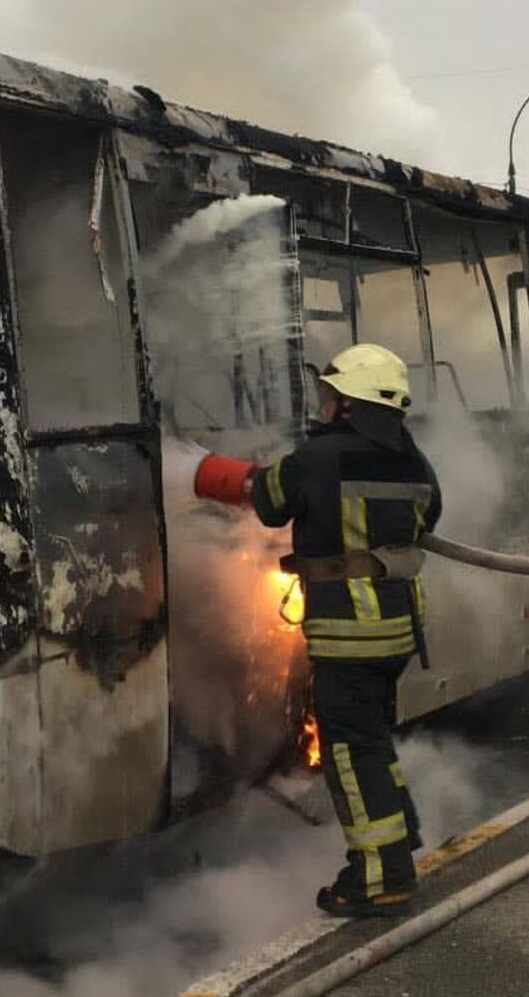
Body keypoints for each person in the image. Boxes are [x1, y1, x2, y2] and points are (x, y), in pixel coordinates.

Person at [192, 343, 441, 916]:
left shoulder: (319, 457)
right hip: (398, 633)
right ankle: (400, 841)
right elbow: (431, 518)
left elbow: (271, 502)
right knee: (373, 742)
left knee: (350, 754)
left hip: (349, 636)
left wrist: (210, 474)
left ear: (349, 405)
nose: (323, 405)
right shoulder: (415, 462)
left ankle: (381, 878)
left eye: (331, 396)